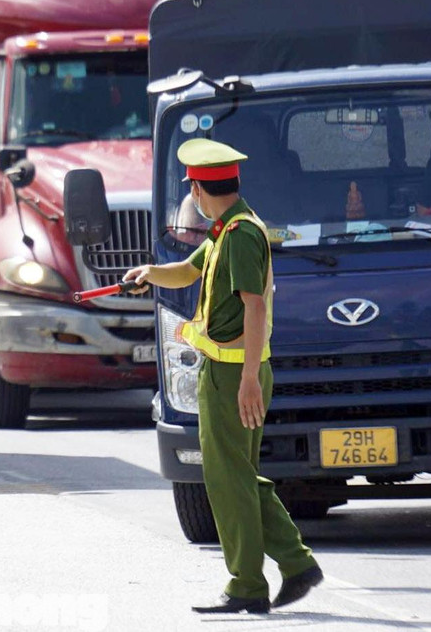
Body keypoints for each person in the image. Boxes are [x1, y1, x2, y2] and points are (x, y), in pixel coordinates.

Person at [122, 138, 322, 615]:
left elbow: (254, 308)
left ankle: (247, 585)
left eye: (190, 185)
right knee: (237, 477)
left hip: (235, 376)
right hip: (228, 371)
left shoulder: (240, 236)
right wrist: (150, 271)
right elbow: (188, 273)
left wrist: (250, 378)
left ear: (196, 187)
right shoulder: (225, 230)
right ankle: (294, 564)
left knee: (226, 479)